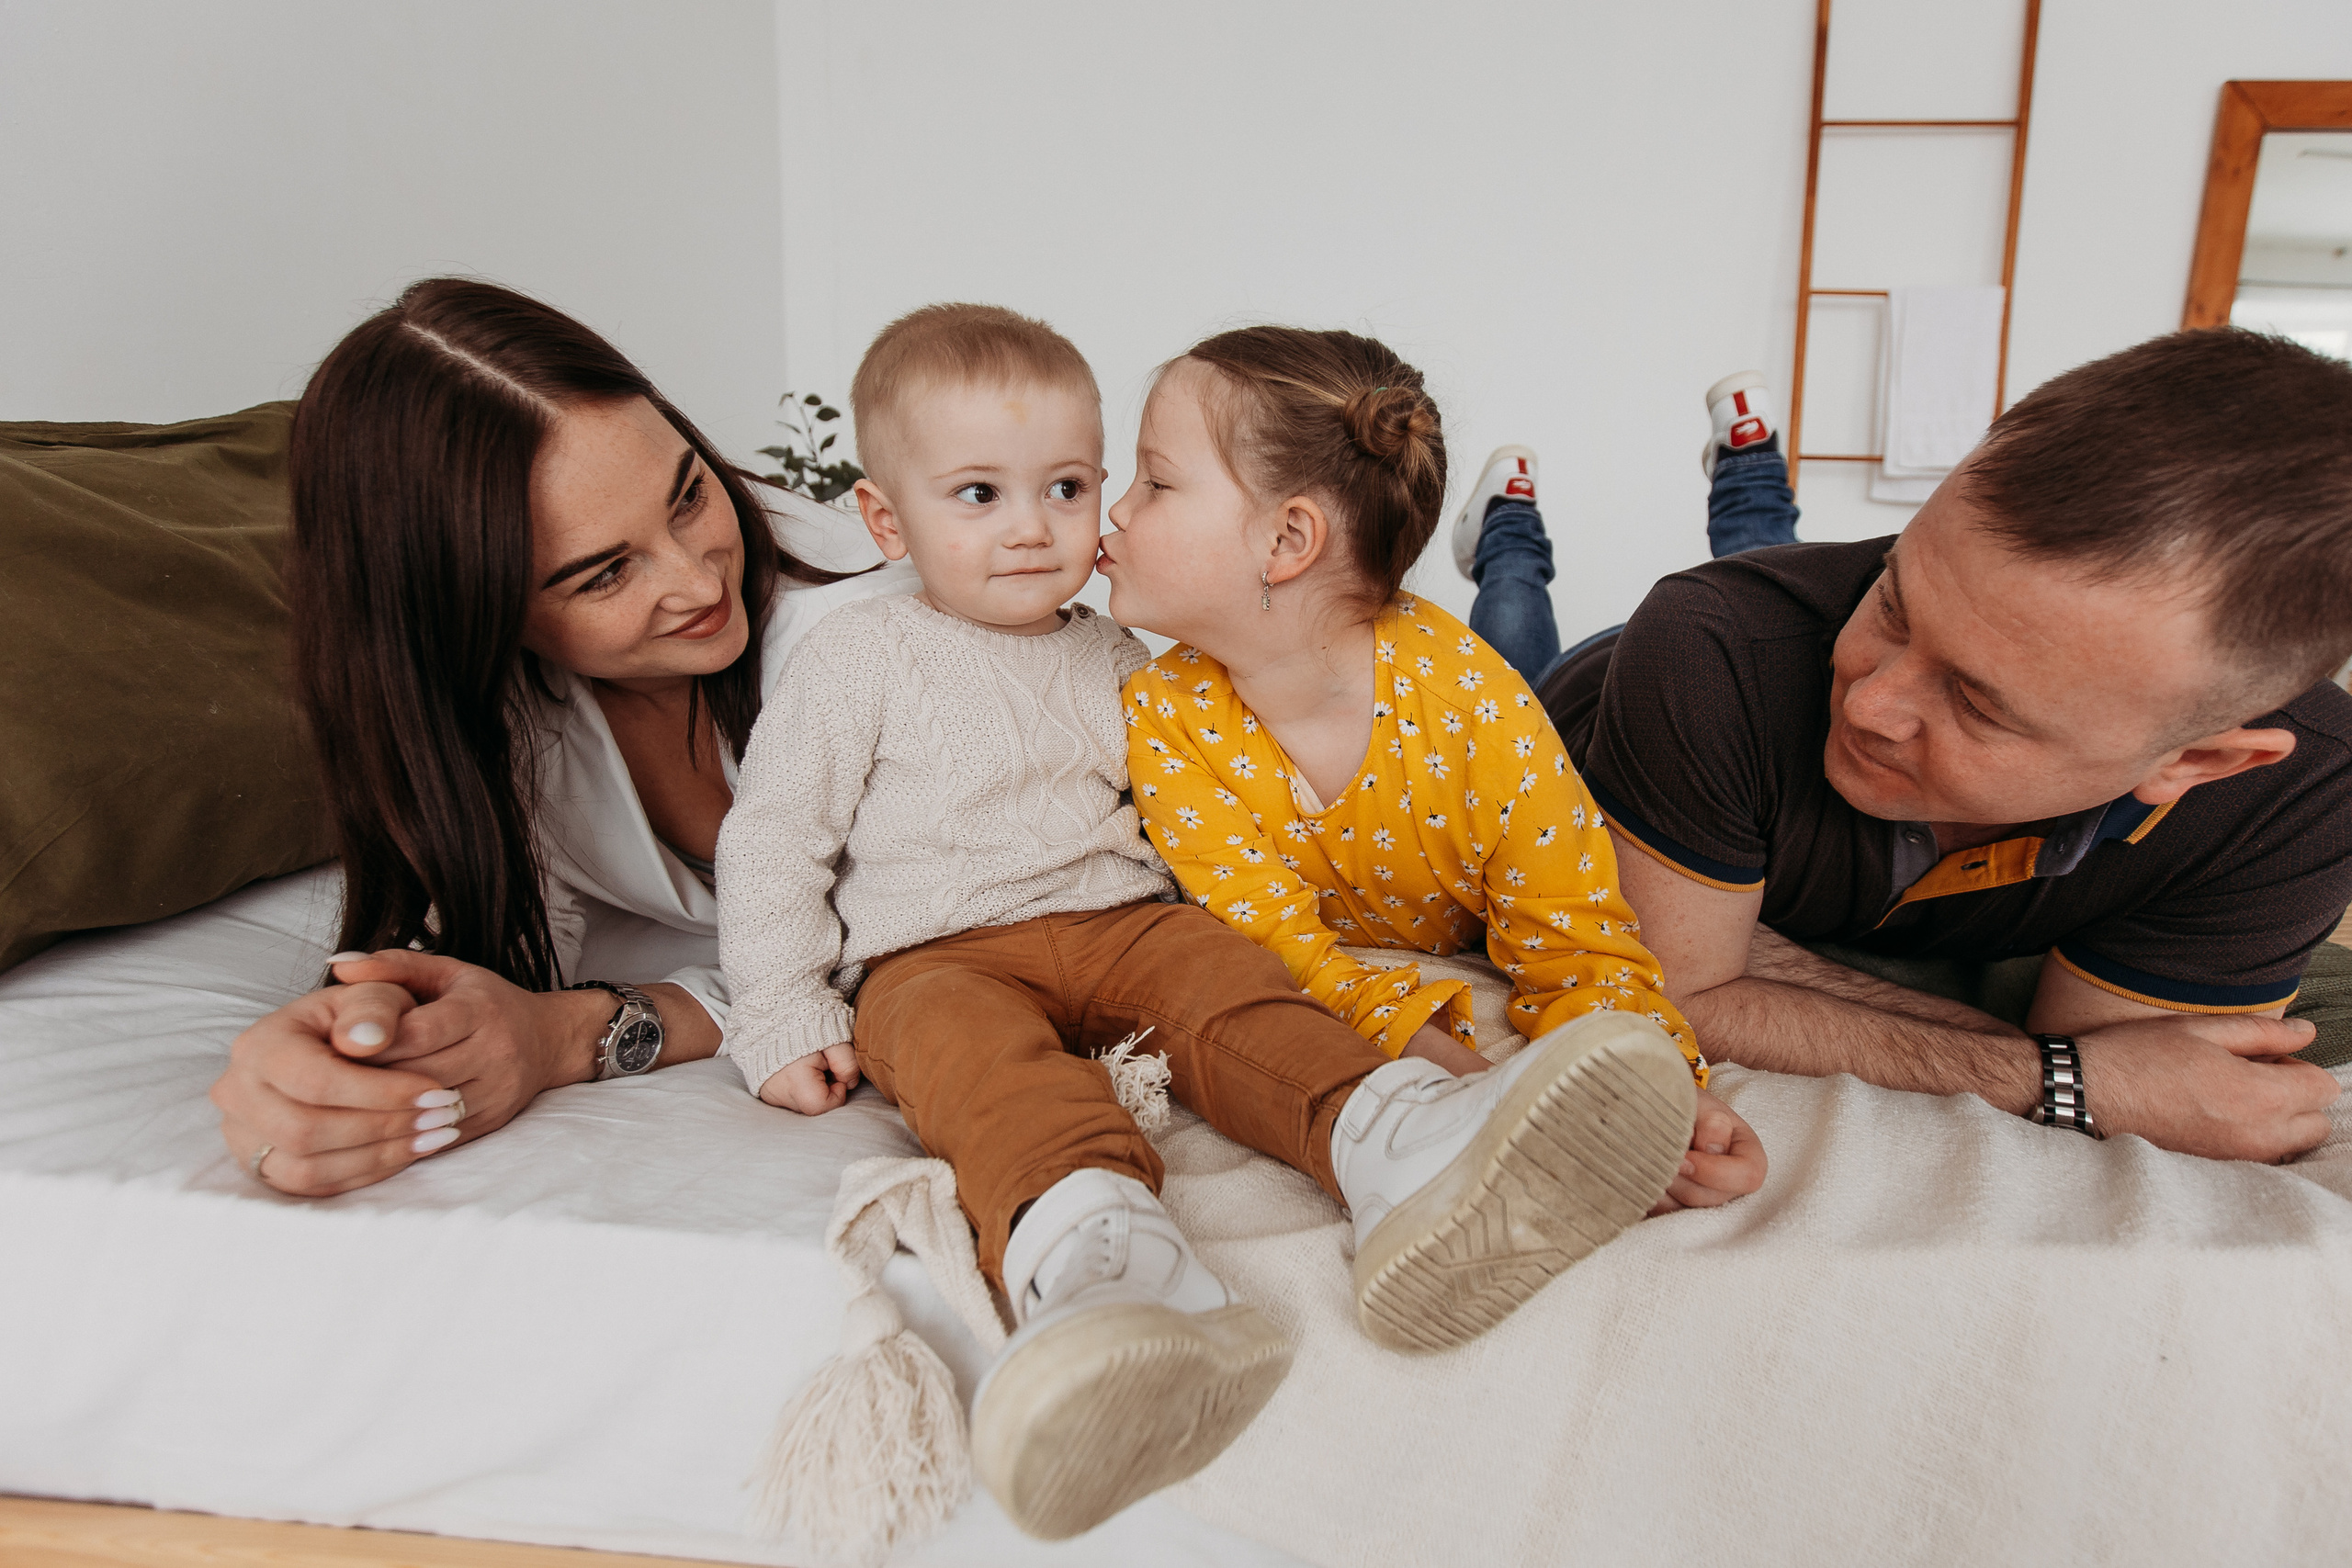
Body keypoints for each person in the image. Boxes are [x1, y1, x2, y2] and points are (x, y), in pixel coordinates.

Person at [714, 304, 1702, 1540]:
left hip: (1125, 919)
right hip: (933, 950)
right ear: (883, 519)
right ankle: (1101, 1256)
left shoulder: (1130, 662)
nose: (1043, 526)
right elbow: (771, 837)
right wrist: (781, 1004)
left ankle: (1402, 1140)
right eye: (978, 494)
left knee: (1226, 990)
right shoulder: (862, 658)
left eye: (1075, 485)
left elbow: (1256, 842)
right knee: (976, 1064)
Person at [1458, 331, 2352, 1163]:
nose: (1871, 699)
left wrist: (1757, 963)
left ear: (2195, 765)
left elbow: (2158, 1078)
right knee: (1505, 658)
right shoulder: (1712, 644)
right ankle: (1506, 539)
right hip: (1579, 710)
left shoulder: (2305, 799)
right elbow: (1677, 992)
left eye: (1976, 703)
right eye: (1894, 599)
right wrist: (2057, 1079)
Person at [209, 277, 916, 1198]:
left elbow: (917, 953)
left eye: (690, 496)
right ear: (473, 619)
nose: (700, 585)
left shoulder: (874, 635)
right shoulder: (489, 711)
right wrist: (359, 1038)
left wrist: (573, 1033)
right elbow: (471, 936)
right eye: (603, 574)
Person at [1100, 325, 1766, 1227]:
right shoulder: (1161, 713)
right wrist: (1483, 1092)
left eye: (1155, 480)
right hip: (1439, 722)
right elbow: (1284, 954)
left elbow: (1578, 946)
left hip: (1529, 704)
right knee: (1517, 640)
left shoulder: (1475, 708)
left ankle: (1508, 538)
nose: (1115, 508)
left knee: (1521, 644)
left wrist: (1658, 1098)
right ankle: (1503, 542)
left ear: (1286, 539)